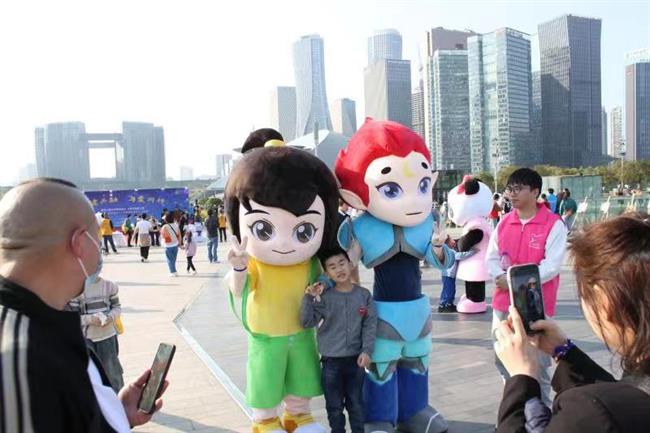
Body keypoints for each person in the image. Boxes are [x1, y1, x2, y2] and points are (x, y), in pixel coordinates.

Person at [0, 178, 167, 432]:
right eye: (97, 238)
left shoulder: (48, 321)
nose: (100, 249)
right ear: (79, 242)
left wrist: (116, 414)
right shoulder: (21, 359)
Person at [494, 213, 650, 432]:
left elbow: (608, 409)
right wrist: (564, 351)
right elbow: (626, 395)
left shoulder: (589, 411)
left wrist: (522, 378)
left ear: (605, 303)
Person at [486, 168, 567, 407]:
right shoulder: (504, 222)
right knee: (503, 357)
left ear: (535, 192)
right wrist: (499, 276)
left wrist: (512, 281)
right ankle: (515, 408)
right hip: (503, 304)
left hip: (535, 306)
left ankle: (541, 415)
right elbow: (491, 257)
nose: (512, 194)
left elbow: (552, 265)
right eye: (510, 189)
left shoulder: (553, 224)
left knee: (537, 364)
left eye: (518, 189)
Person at [300, 248, 377, 433]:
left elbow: (370, 325)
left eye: (342, 263)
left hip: (356, 361)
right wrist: (309, 298)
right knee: (334, 407)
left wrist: (367, 351)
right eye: (332, 267)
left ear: (350, 264)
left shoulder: (363, 295)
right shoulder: (324, 298)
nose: (339, 269)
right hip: (331, 363)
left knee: (356, 404)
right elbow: (307, 322)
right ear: (327, 273)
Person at [66, 276, 124, 392]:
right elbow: (72, 318)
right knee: (90, 373)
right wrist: (90, 319)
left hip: (108, 337)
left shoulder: (109, 286)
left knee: (112, 372)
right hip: (87, 339)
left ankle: (119, 398)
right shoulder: (76, 291)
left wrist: (109, 317)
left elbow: (117, 308)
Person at [438, 237, 478, 313]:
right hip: (448, 275)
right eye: (452, 240)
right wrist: (472, 252)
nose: (454, 241)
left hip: (449, 274)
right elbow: (460, 256)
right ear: (447, 243)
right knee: (448, 289)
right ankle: (444, 304)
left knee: (450, 289)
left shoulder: (449, 250)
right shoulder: (450, 251)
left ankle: (448, 303)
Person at [161, 212, 181, 277]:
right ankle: (174, 270)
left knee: (169, 259)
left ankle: (173, 272)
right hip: (175, 244)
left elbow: (163, 236)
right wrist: (180, 243)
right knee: (173, 259)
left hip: (168, 245)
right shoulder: (176, 225)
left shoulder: (164, 227)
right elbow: (179, 235)